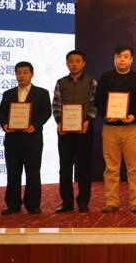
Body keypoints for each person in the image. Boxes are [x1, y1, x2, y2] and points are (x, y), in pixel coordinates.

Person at [95, 45, 136, 213]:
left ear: (131, 60)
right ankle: (112, 201)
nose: (122, 59)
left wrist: (133, 115)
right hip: (110, 128)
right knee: (111, 168)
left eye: (125, 56)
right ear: (114, 59)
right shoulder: (105, 77)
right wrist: (105, 115)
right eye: (119, 56)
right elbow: (99, 100)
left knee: (134, 168)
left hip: (132, 128)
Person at [0, 61, 52, 215]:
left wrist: (35, 125)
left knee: (33, 173)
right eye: (18, 72)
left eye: (25, 72)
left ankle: (33, 205)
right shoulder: (8, 93)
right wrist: (4, 124)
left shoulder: (42, 93)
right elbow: (1, 113)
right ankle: (13, 205)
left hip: (32, 139)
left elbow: (46, 112)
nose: (21, 76)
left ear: (32, 74)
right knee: (13, 173)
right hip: (12, 139)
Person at [51, 50, 98, 213]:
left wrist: (87, 121)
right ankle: (67, 202)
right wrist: (59, 122)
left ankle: (83, 202)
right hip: (65, 132)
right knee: (64, 168)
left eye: (77, 61)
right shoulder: (61, 82)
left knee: (84, 168)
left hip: (84, 130)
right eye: (71, 61)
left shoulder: (91, 82)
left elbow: (95, 105)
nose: (74, 64)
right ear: (67, 64)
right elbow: (56, 104)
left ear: (83, 64)